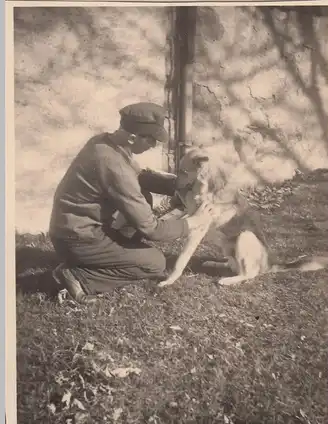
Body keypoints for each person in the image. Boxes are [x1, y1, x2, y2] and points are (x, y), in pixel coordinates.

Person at [49, 102, 212, 304]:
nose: (154, 145)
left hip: (72, 227)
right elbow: (152, 229)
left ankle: (108, 254)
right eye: (151, 140)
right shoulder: (113, 165)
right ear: (133, 137)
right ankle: (78, 276)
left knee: (144, 196)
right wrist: (192, 223)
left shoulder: (104, 144)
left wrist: (180, 183)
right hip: (79, 238)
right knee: (154, 262)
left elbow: (138, 176)